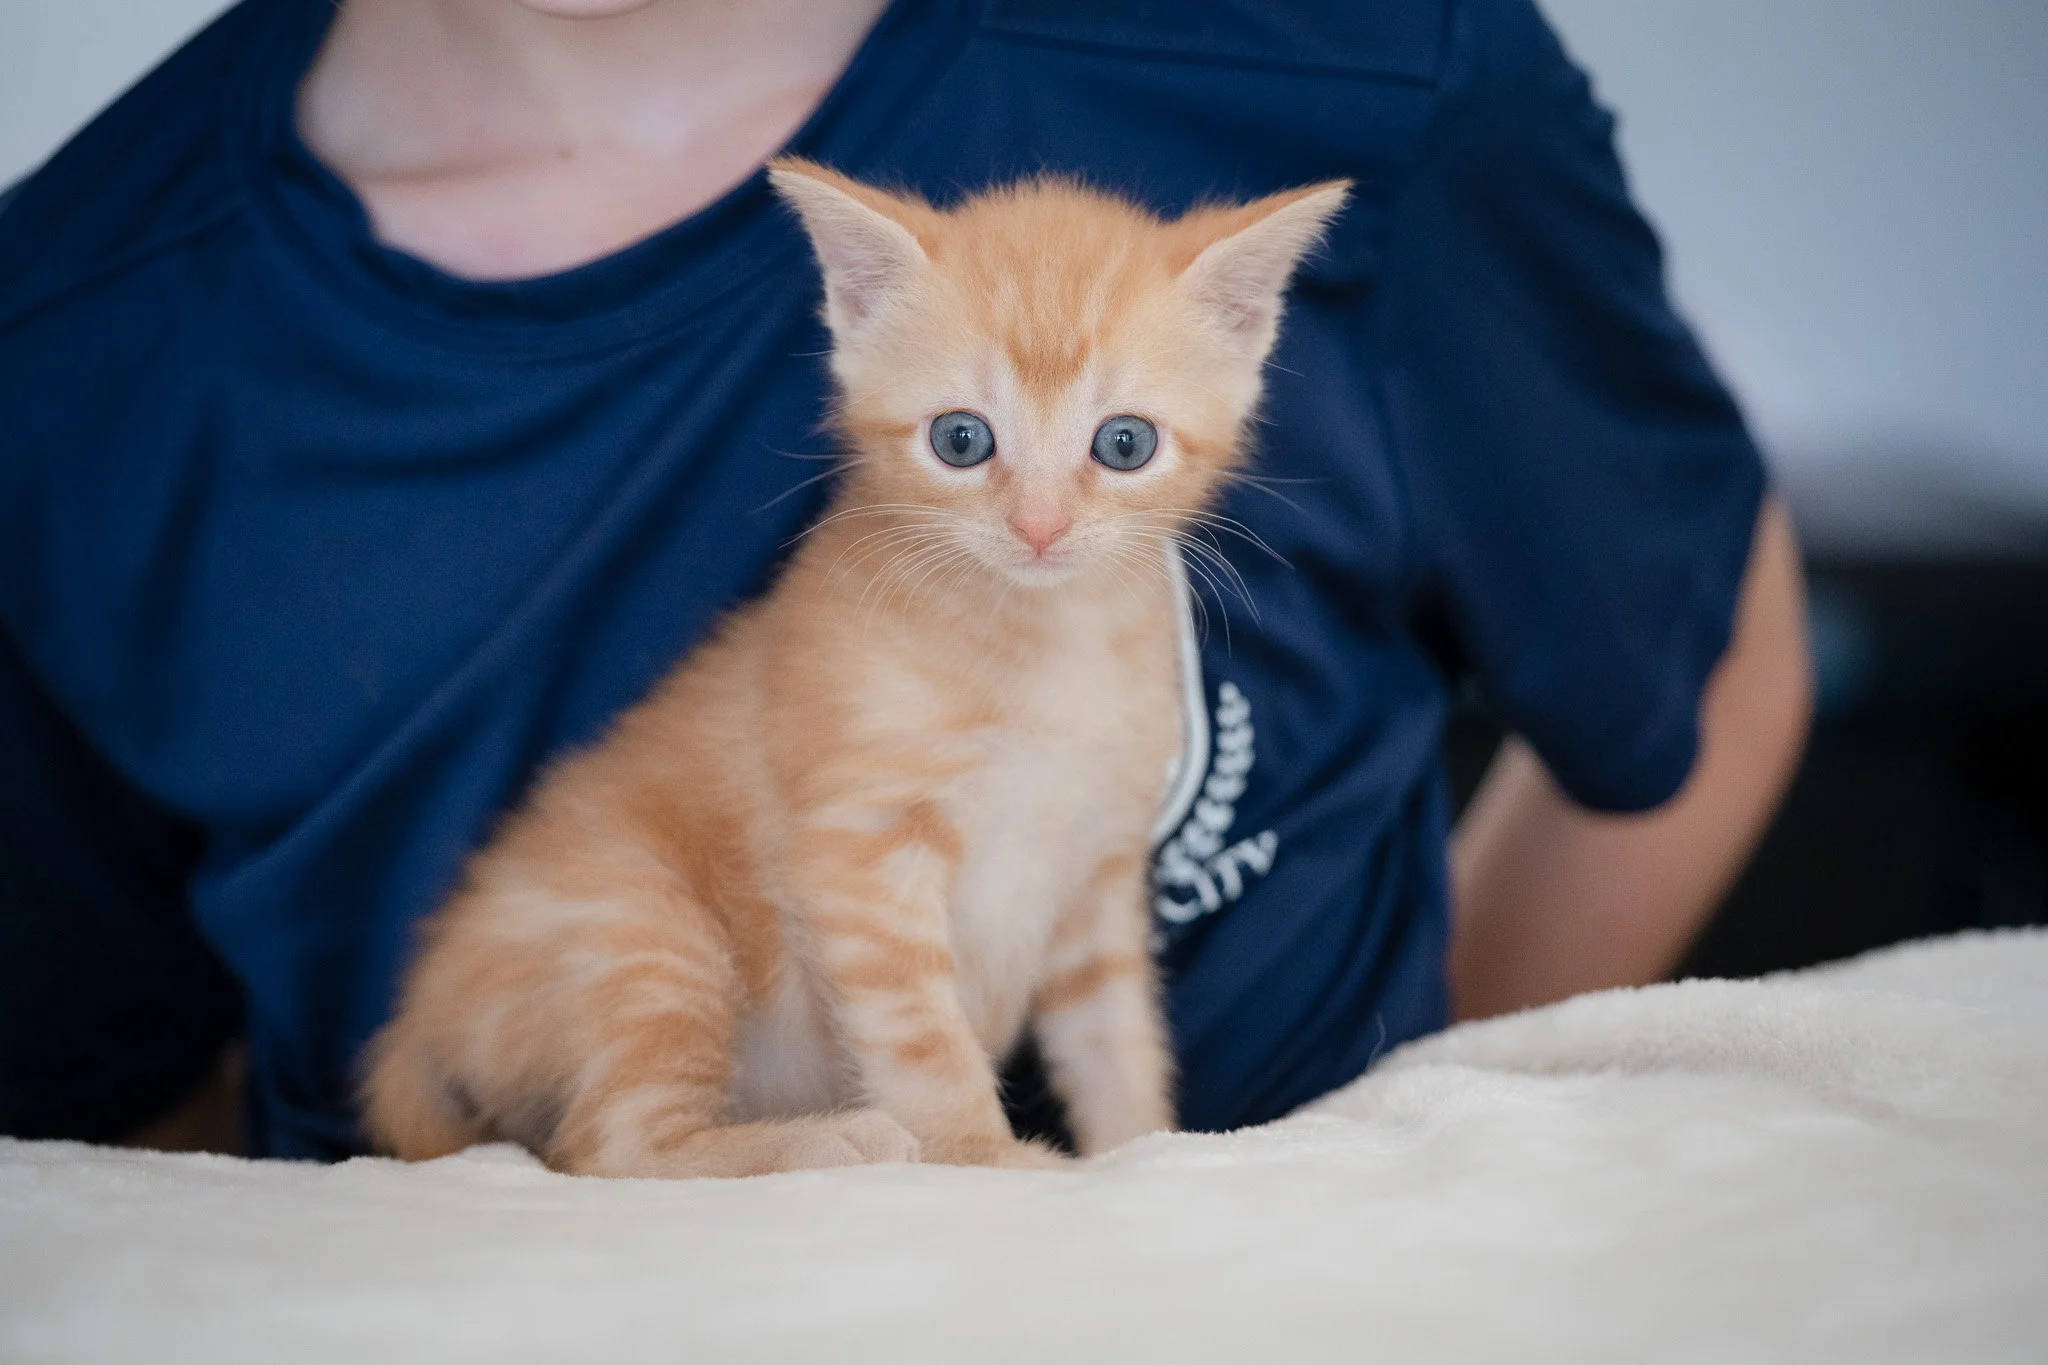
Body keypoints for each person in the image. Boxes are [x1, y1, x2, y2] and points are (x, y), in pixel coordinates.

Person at [0, 0, 1812, 1159]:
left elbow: (1704, 669)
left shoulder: (1356, 66)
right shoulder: (72, 341)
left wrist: (1385, 1178)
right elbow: (123, 1128)